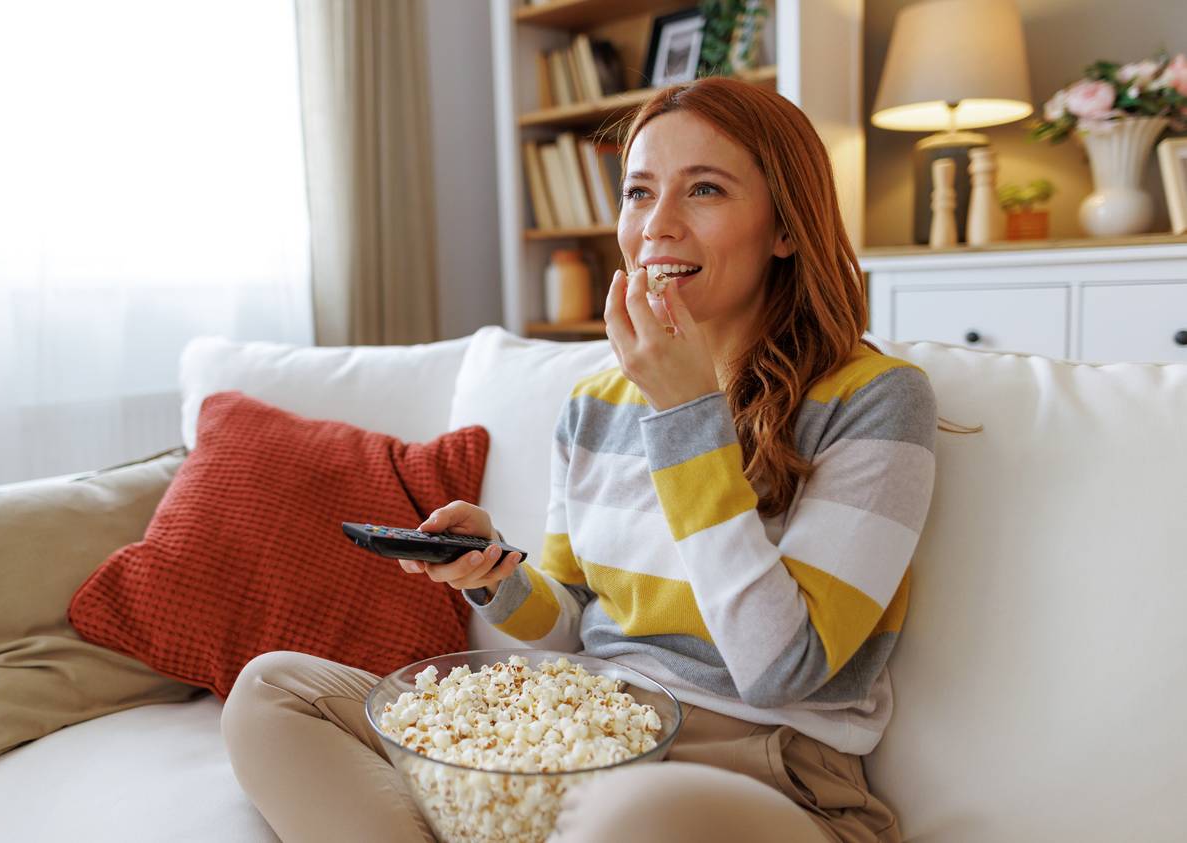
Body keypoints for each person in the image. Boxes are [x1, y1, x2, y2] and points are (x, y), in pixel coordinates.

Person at [221, 77, 935, 843]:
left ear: (785, 226)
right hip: (581, 735)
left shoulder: (877, 401)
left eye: (704, 190)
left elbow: (782, 667)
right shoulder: (595, 401)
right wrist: (498, 577)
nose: (657, 226)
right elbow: (569, 623)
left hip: (758, 772)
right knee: (272, 691)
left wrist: (685, 414)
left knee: (634, 814)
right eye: (638, 192)